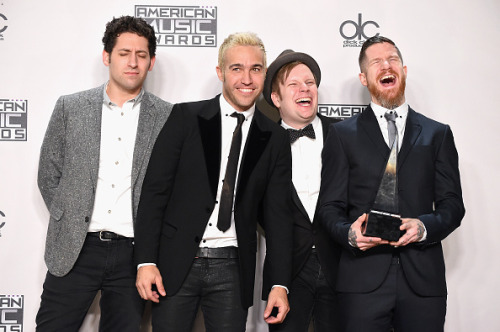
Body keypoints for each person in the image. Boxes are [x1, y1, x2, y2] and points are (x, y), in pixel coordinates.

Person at [134, 32, 293, 331]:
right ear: (220, 72)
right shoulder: (185, 117)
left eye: (255, 69)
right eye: (236, 68)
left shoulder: (275, 138)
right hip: (176, 263)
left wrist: (279, 284)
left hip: (233, 269)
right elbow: (155, 193)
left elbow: (278, 218)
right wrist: (145, 261)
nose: (246, 78)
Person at [318, 35, 465, 331]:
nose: (386, 65)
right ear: (364, 77)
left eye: (392, 59)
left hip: (422, 284)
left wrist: (423, 227)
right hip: (361, 282)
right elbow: (329, 208)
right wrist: (349, 234)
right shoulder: (343, 135)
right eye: (376, 62)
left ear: (404, 69)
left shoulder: (437, 134)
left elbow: (453, 207)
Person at [36, 16, 173, 331]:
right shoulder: (71, 107)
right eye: (124, 53)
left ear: (151, 62)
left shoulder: (167, 116)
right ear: (107, 56)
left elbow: (171, 186)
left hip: (133, 254)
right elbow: (49, 173)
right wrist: (68, 219)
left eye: (141, 55)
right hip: (75, 248)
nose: (132, 62)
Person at [262, 49, 340, 331]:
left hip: (342, 269)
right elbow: (258, 210)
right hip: (287, 274)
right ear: (276, 98)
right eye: (293, 84)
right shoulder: (261, 145)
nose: (304, 89)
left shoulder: (345, 135)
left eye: (309, 83)